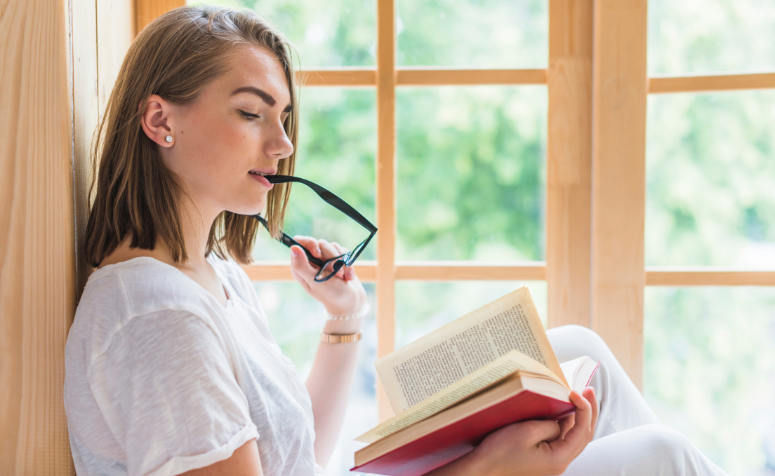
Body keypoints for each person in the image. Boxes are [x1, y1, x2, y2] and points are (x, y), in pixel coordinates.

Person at [63, 5, 729, 476]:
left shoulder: (208, 275)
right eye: (249, 112)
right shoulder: (155, 317)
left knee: (577, 349)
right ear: (159, 120)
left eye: (285, 117)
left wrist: (344, 323)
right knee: (660, 457)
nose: (283, 143)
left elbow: (300, 458)